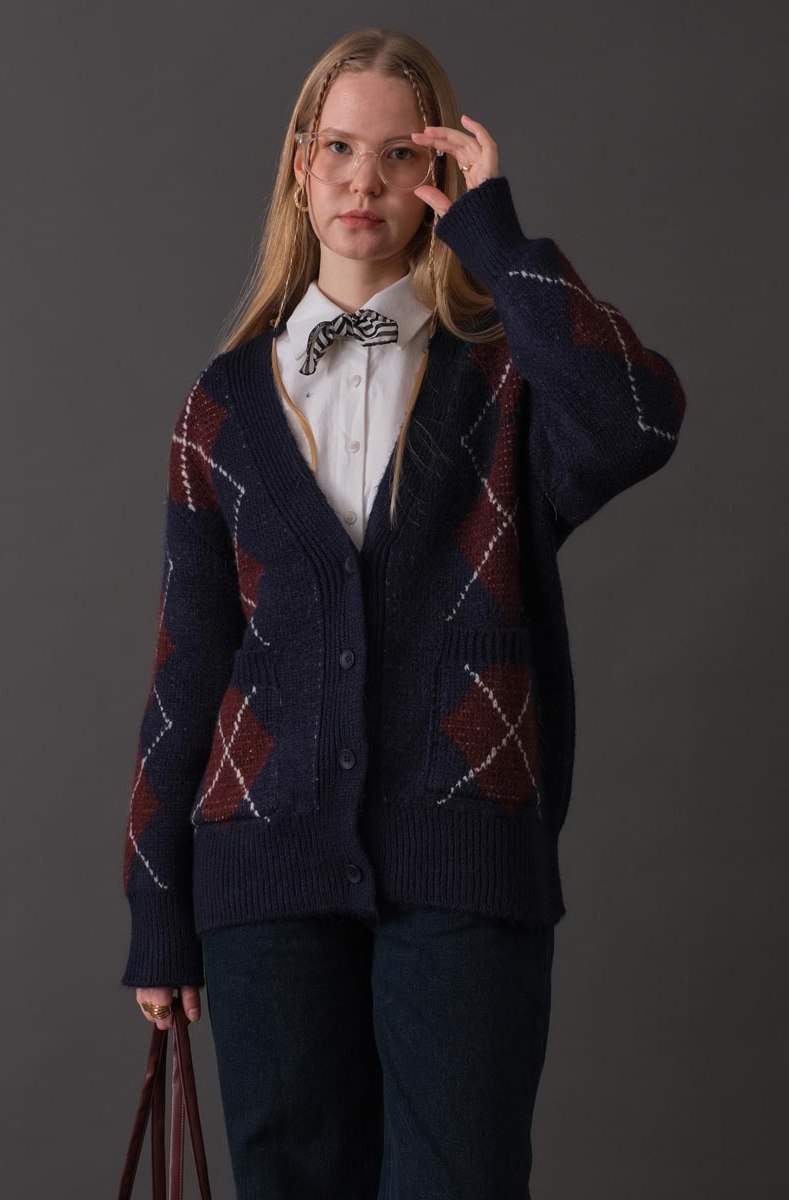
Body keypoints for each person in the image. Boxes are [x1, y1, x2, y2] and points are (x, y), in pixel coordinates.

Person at [119, 26, 687, 1199]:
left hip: (462, 852)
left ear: (435, 173)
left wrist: (496, 237)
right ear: (298, 165)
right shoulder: (218, 407)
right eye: (336, 147)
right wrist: (156, 905)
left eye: (396, 154)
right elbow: (188, 670)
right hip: (262, 874)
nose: (362, 181)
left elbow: (636, 421)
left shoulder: (505, 381)